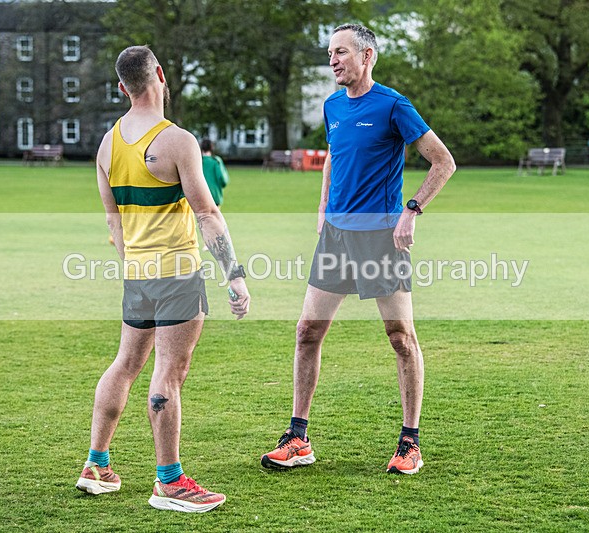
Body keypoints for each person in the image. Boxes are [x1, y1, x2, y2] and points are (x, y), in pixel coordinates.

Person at [261, 23, 455, 475]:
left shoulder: (393, 105)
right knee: (307, 331)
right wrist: (323, 205)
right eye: (330, 53)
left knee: (401, 338)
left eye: (341, 52)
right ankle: (299, 438)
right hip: (336, 238)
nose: (333, 60)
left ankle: (410, 443)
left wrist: (412, 209)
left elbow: (443, 161)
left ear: (366, 56)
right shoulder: (332, 106)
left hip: (381, 238)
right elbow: (333, 154)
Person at [76, 45, 250, 513]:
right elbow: (208, 214)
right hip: (176, 274)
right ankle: (169, 482)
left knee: (125, 364)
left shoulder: (107, 145)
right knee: (169, 373)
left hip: (137, 276)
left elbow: (113, 225)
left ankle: (97, 465)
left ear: (121, 87)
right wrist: (234, 275)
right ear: (160, 74)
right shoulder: (177, 141)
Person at [200, 138, 230, 208]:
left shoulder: (197, 161)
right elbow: (223, 180)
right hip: (214, 195)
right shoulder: (216, 161)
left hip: (199, 195)